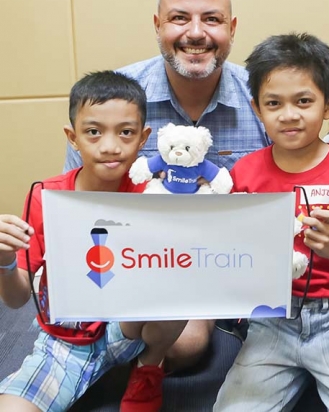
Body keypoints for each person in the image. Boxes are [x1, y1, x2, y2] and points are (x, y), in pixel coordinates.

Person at [63, 0, 270, 371]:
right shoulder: (112, 102)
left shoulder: (265, 99)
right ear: (157, 25)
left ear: (232, 29)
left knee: (190, 341)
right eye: (179, 18)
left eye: (211, 19)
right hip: (135, 263)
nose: (196, 33)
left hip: (235, 268)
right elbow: (79, 207)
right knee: (184, 342)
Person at [214, 33, 329, 411]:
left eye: (303, 101)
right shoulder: (245, 173)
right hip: (271, 321)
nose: (289, 114)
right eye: (273, 104)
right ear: (257, 109)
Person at [0, 71, 188, 412]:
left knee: (178, 297)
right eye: (93, 132)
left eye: (126, 132)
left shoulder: (154, 194)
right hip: (62, 343)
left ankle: (149, 366)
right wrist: (5, 261)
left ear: (144, 137)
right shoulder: (45, 196)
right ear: (73, 137)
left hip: (128, 329)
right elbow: (15, 299)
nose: (110, 146)